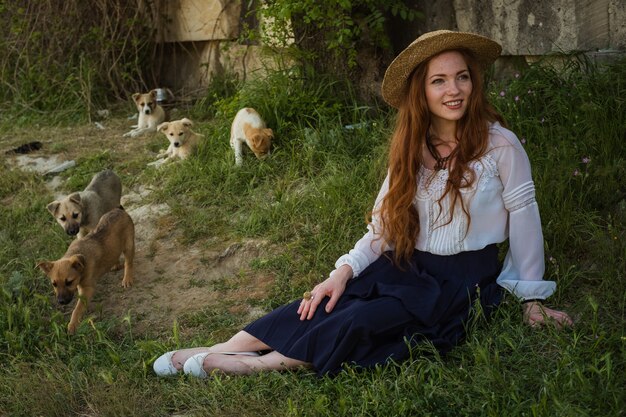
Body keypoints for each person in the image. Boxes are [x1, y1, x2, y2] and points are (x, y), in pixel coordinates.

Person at [153, 30, 573, 378]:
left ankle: (257, 366)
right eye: (439, 80)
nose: (454, 90)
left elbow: (524, 217)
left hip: (460, 281)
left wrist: (530, 296)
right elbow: (384, 228)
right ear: (421, 91)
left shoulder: (500, 144)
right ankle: (223, 347)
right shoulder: (411, 148)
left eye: (462, 77)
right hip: (406, 263)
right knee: (331, 300)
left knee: (360, 322)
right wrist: (343, 272)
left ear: (473, 82)